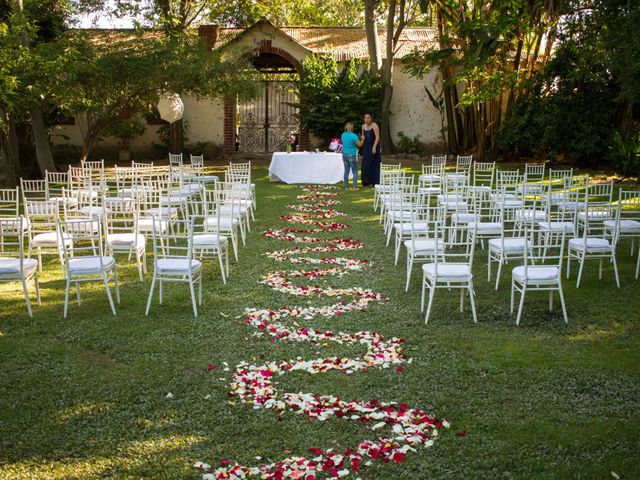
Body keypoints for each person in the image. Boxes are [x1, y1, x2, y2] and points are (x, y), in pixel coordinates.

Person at [340, 122, 363, 190]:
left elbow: (344, 143)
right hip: (352, 155)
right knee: (355, 171)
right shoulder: (354, 135)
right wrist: (363, 139)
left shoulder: (343, 135)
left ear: (346, 127)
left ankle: (346, 187)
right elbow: (360, 145)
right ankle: (354, 187)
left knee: (346, 171)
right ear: (352, 128)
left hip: (344, 155)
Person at [361, 113, 381, 186]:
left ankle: (374, 181)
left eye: (368, 118)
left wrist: (374, 147)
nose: (366, 119)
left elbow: (377, 137)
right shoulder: (363, 126)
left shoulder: (374, 125)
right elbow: (363, 136)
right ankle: (366, 182)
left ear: (371, 118)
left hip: (373, 146)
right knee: (365, 164)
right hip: (366, 147)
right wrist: (361, 140)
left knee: (373, 164)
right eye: (365, 118)